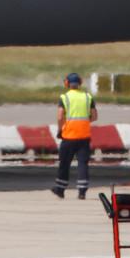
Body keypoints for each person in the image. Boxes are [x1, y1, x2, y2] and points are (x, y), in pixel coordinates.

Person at [51, 72, 97, 200]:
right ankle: (82, 191)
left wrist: (60, 129)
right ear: (80, 83)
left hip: (69, 135)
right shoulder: (88, 97)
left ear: (67, 83)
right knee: (83, 164)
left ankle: (60, 189)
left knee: (65, 163)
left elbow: (60, 116)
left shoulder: (64, 98)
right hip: (84, 136)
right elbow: (94, 116)